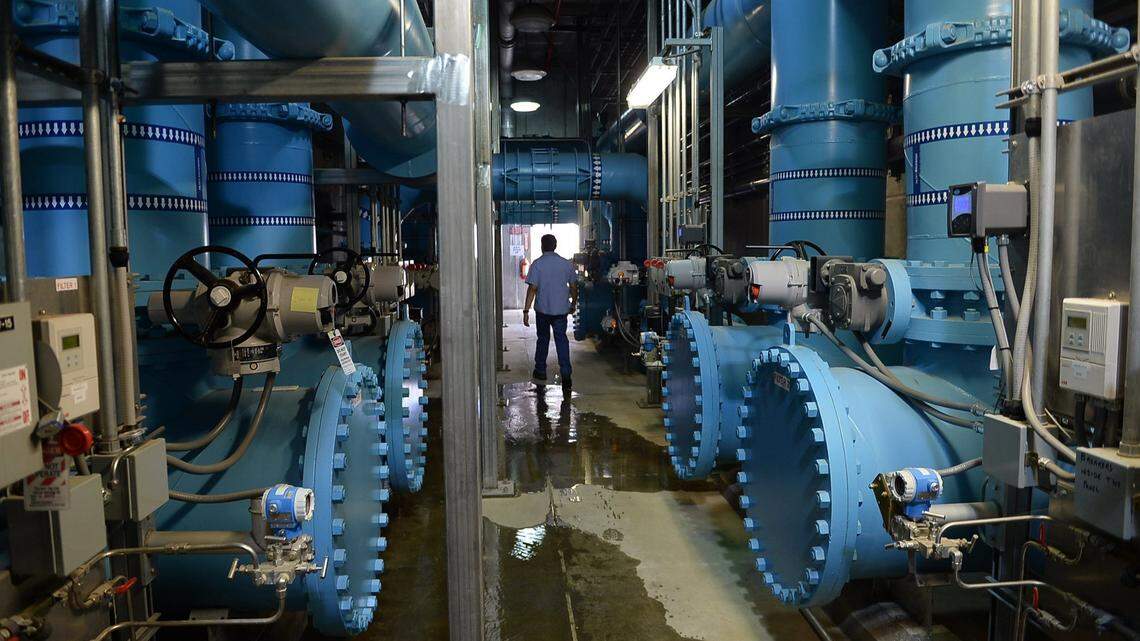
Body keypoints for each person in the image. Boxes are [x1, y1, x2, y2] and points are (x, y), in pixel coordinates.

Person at [523, 234, 578, 392]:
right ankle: (566, 374)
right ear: (555, 245)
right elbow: (574, 287)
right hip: (561, 310)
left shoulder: (537, 264)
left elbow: (532, 289)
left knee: (543, 339)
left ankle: (540, 371)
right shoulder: (565, 264)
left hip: (543, 310)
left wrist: (526, 310)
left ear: (542, 246)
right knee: (561, 340)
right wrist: (573, 304)